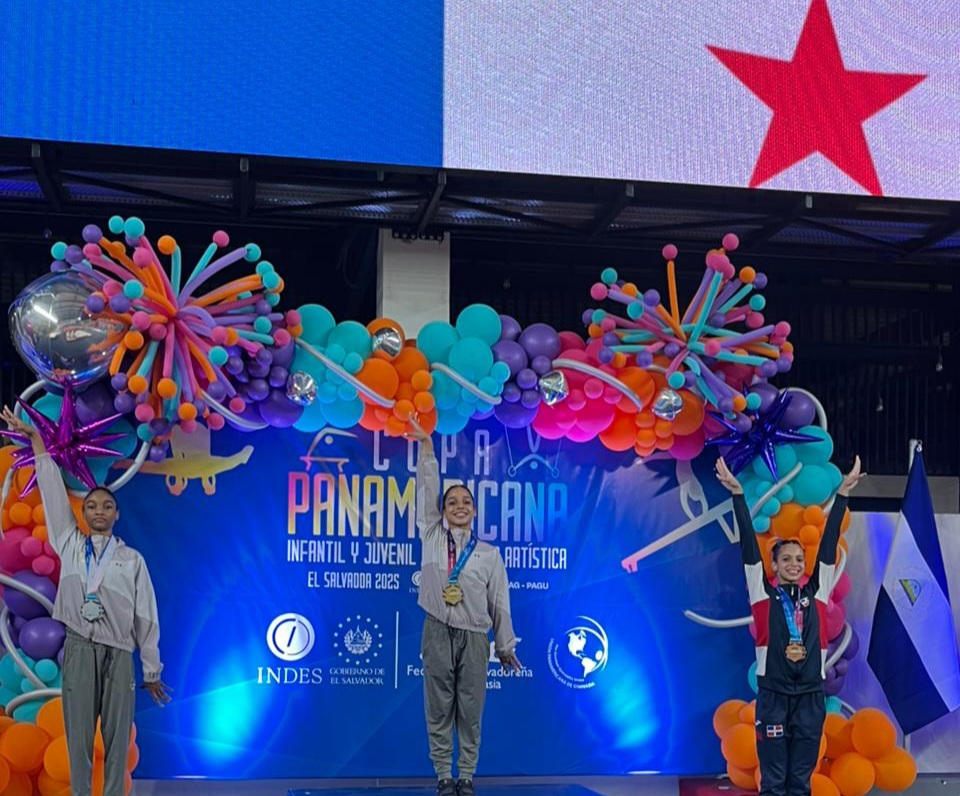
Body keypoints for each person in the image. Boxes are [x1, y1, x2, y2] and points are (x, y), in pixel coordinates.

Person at [2, 406, 172, 796]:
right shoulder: (69, 544)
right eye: (92, 505)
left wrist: (151, 669)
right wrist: (37, 442)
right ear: (85, 513)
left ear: (116, 514)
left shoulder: (131, 560)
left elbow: (146, 618)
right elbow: (52, 493)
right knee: (77, 736)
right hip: (79, 650)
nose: (98, 511)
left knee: (115, 738)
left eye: (106, 506)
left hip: (118, 652)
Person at [715, 455, 864, 796]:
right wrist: (738, 496)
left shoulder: (818, 594)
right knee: (773, 781)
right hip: (774, 698)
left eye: (799, 559)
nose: (794, 564)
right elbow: (748, 550)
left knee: (800, 782)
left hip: (810, 696)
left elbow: (828, 547)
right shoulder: (763, 595)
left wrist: (842, 494)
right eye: (786, 559)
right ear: (775, 564)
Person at [406, 417, 521, 796]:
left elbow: (500, 602)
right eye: (451, 502)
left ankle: (466, 775)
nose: (459, 506)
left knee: (470, 711)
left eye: (466, 502)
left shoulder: (488, 554)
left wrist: (504, 646)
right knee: (438, 707)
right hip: (436, 630)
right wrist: (427, 448)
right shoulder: (431, 533)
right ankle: (443, 775)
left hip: (474, 637)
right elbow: (427, 489)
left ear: (474, 511)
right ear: (441, 511)